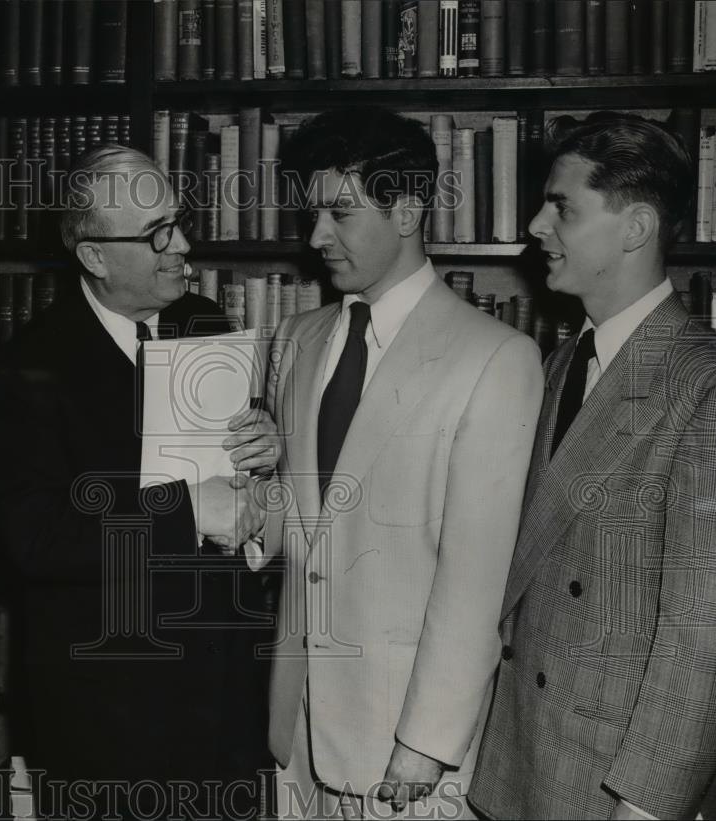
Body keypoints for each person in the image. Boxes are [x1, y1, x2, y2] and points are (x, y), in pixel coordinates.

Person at [257, 107, 545, 819]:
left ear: (409, 209)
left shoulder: (495, 358)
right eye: (313, 214)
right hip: (295, 734)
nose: (317, 236)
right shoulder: (295, 337)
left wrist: (427, 740)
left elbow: (476, 574)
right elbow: (293, 529)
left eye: (341, 214)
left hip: (408, 751)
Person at [0, 144, 279, 819]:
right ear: (94, 256)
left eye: (178, 220)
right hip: (108, 723)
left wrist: (264, 451)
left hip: (226, 700)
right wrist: (187, 513)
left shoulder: (207, 324)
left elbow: (242, 492)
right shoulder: (24, 370)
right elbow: (36, 539)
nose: (183, 244)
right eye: (156, 234)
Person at [469, 113, 716, 819]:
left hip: (606, 784)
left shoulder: (701, 382)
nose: (535, 225)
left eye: (562, 207)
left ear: (635, 227)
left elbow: (703, 633)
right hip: (522, 759)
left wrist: (643, 806)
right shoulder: (563, 360)